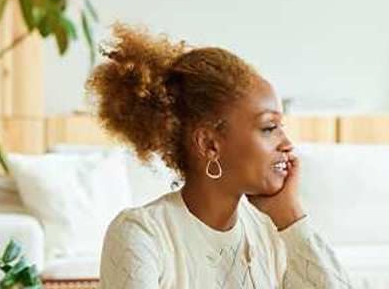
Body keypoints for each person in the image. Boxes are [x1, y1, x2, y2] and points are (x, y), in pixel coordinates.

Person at [90, 24, 351, 288]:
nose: (287, 144)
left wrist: (291, 217)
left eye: (281, 127)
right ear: (209, 144)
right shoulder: (141, 234)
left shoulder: (273, 231)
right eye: (269, 128)